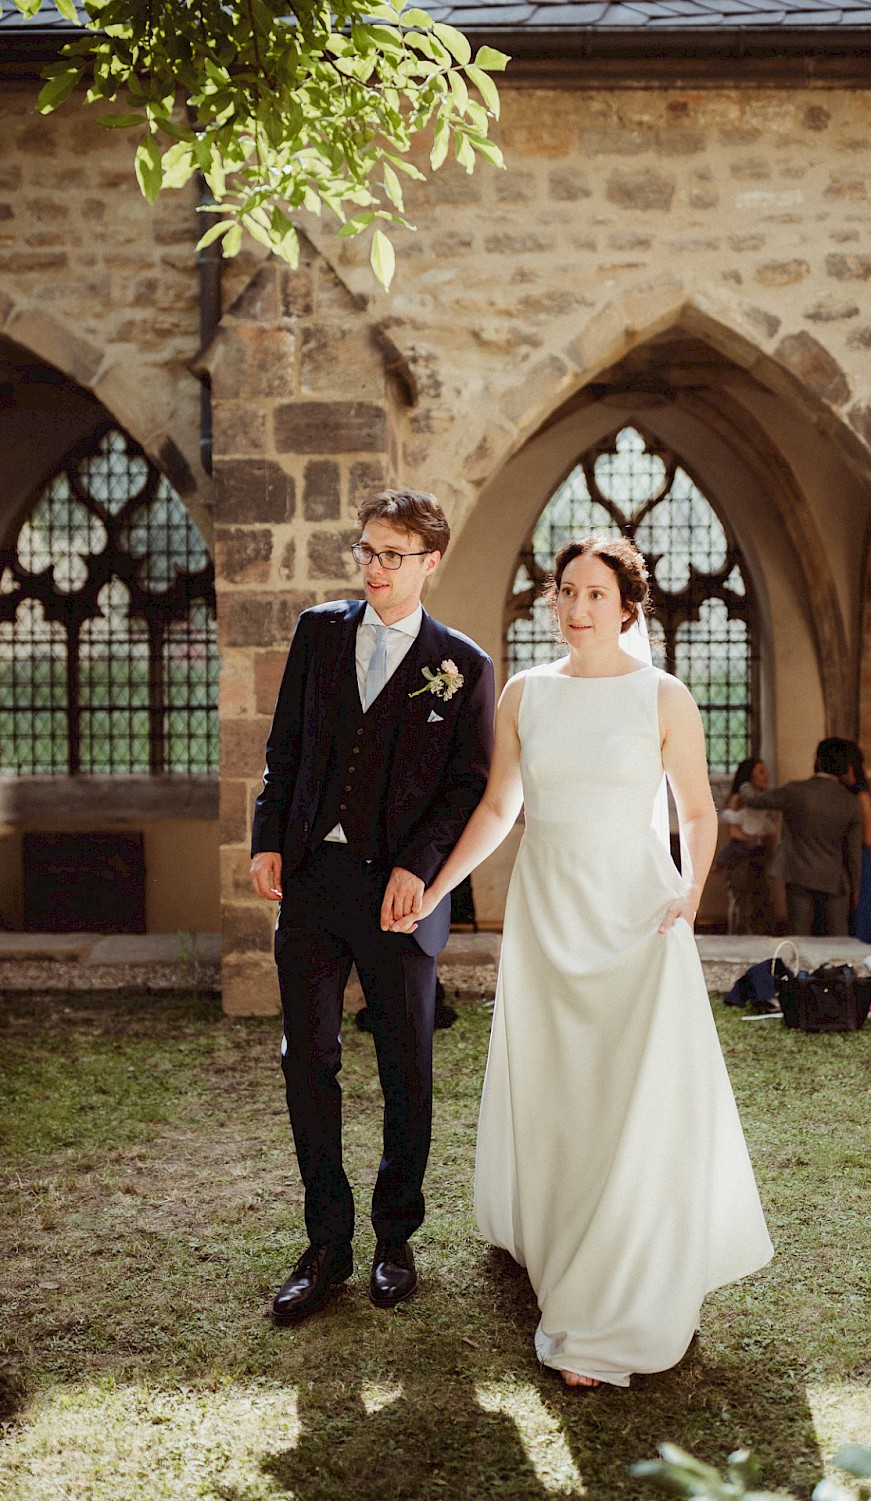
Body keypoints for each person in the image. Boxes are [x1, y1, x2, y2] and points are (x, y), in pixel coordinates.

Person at [389, 535, 773, 1389]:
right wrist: (438, 883)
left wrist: (689, 894)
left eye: (596, 593)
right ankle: (563, 1239)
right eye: (566, 591)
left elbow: (700, 814)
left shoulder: (663, 695)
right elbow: (498, 806)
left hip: (637, 915)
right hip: (548, 912)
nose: (578, 607)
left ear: (628, 605)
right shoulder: (525, 693)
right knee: (560, 1086)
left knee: (629, 1091)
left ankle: (615, 1287)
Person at [250, 488, 494, 1324]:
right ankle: (327, 1240)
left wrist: (421, 870)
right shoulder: (319, 632)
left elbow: (468, 786)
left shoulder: (462, 664)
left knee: (405, 1065)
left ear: (431, 562)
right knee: (306, 1056)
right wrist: (267, 835)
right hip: (315, 883)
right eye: (366, 550)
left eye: (394, 554)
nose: (375, 568)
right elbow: (284, 746)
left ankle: (396, 1234)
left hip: (401, 898)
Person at [739, 738, 862, 937]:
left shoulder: (795, 791)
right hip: (835, 879)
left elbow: (755, 800)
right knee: (837, 940)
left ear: (819, 761)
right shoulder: (851, 802)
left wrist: (744, 783)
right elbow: (853, 851)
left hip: (799, 875)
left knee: (800, 937)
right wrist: (855, 886)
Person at [717, 757, 779, 934]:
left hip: (760, 858)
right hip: (741, 860)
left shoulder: (764, 800)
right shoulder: (738, 799)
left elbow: (771, 832)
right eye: (760, 771)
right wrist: (755, 839)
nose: (765, 775)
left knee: (762, 902)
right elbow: (734, 832)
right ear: (750, 776)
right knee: (741, 904)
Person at [842, 740, 871, 944]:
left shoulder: (861, 794)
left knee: (859, 911)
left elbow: (867, 837)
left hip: (858, 856)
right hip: (844, 856)